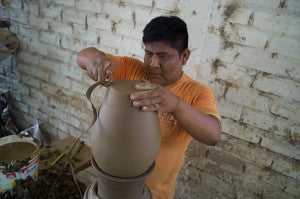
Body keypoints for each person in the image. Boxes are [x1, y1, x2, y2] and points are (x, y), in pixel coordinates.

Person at [77, 16, 221, 199]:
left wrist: (176, 105)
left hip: (157, 194)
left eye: (163, 56)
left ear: (184, 56)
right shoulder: (131, 69)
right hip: (110, 189)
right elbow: (84, 55)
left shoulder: (196, 92)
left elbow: (213, 135)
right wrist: (95, 60)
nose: (153, 64)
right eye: (149, 54)